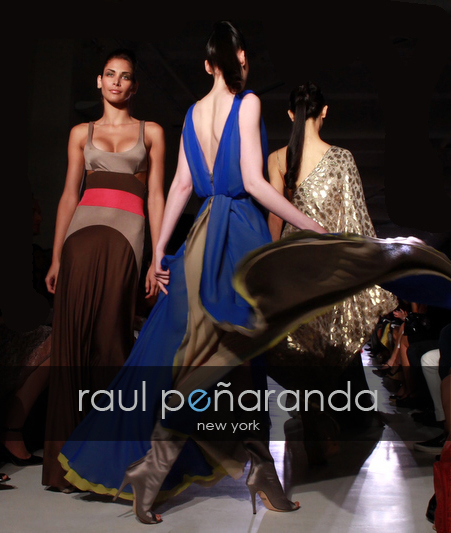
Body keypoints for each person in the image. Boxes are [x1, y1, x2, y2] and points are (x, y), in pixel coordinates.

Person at [58, 21, 325, 523]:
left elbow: (181, 186)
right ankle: (253, 470)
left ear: (206, 65)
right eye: (242, 58)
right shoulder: (247, 103)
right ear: (238, 59)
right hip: (239, 232)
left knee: (192, 357)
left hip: (200, 236)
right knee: (237, 358)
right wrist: (311, 226)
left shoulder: (192, 112)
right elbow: (253, 183)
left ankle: (161, 468)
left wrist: (162, 250)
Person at [42, 48, 165, 491]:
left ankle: (108, 462)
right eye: (110, 74)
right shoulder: (81, 133)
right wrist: (56, 256)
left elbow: (156, 197)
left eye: (125, 76)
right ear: (99, 81)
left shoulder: (151, 132)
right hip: (80, 240)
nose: (116, 82)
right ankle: (66, 465)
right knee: (72, 346)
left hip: (126, 241)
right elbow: (69, 195)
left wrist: (157, 257)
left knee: (112, 343)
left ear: (134, 85)